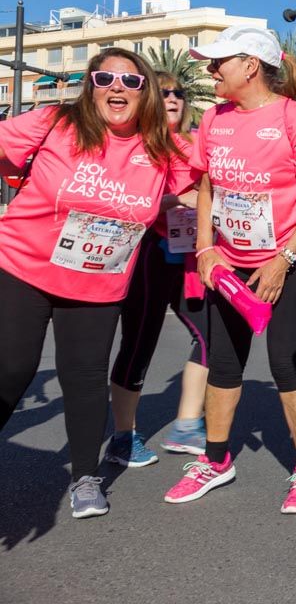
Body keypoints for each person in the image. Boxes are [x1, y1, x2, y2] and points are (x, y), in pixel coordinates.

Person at [0, 48, 194, 518]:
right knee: (12, 370)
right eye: (105, 77)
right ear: (91, 84)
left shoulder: (162, 148)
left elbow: (198, 190)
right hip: (23, 265)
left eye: (131, 81)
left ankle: (84, 477)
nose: (117, 87)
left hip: (97, 279)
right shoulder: (55, 121)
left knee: (85, 378)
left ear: (145, 91)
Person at [163, 26, 296, 515]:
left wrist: (284, 259)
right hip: (229, 258)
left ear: (250, 66)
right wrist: (206, 250)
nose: (211, 71)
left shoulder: (293, 117)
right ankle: (215, 461)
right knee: (223, 359)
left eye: (220, 62)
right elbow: (207, 189)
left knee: (284, 358)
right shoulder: (213, 118)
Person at [105, 72, 210, 467]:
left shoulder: (192, 144)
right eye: (163, 92)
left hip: (188, 253)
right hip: (146, 248)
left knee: (210, 335)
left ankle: (185, 426)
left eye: (179, 93)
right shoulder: (135, 144)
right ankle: (122, 435)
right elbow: (121, 198)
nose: (172, 98)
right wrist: (174, 199)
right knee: (139, 341)